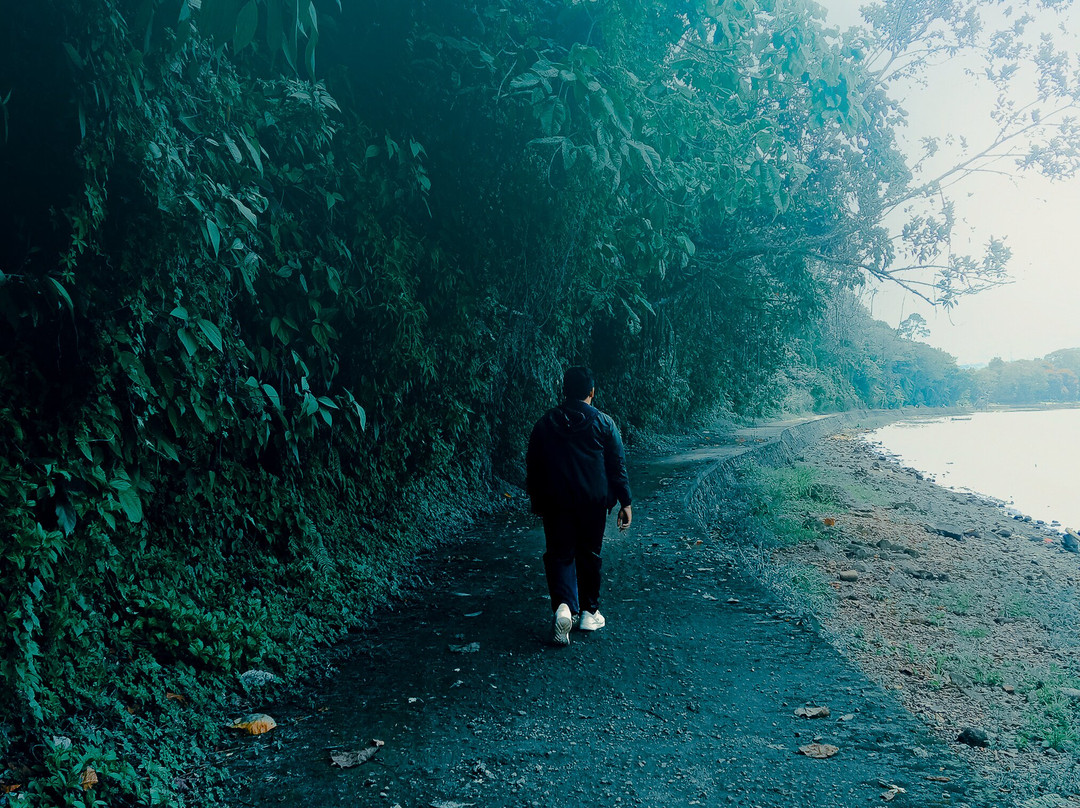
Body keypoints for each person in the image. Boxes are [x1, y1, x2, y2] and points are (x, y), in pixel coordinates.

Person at [526, 366, 632, 646]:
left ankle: (563, 608)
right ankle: (588, 612)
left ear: (564, 390)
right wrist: (626, 502)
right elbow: (617, 466)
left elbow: (533, 466)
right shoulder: (604, 423)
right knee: (589, 553)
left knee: (560, 554)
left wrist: (538, 501)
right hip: (593, 502)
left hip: (556, 501)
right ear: (592, 392)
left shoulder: (545, 423)